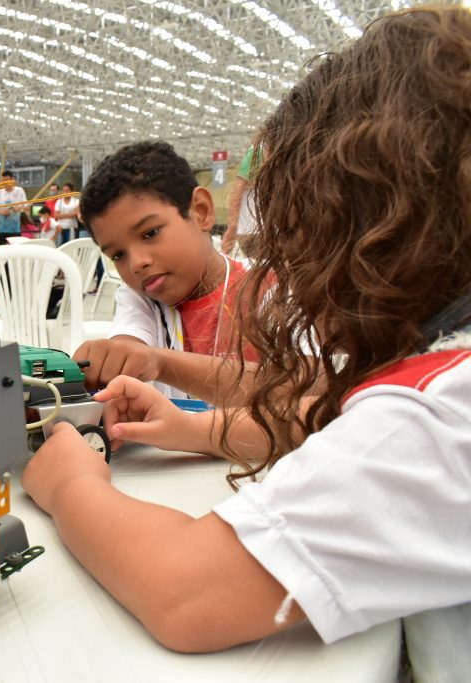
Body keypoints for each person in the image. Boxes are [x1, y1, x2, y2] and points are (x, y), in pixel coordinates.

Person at [23, 8, 471, 668]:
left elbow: (185, 589)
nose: (290, 268)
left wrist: (69, 485)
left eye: (299, 238)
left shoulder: (437, 410)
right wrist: (185, 416)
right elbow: (311, 398)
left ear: (368, 232)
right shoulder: (442, 360)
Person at [72, 141, 255, 398]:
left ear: (201, 211)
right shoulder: (142, 299)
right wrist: (112, 359)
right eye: (118, 255)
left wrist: (158, 362)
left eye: (150, 233)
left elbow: (296, 384)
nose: (136, 263)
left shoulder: (268, 285)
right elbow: (128, 342)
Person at [221, 146, 260, 258]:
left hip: (259, 230)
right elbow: (238, 188)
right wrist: (232, 229)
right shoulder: (259, 149)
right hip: (254, 231)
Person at [0, 170, 26, 242]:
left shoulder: (19, 191)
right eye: (3, 181)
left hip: (15, 229)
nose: (5, 183)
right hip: (1, 230)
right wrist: (2, 212)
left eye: (7, 180)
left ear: (12, 179)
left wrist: (11, 210)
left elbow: (25, 205)